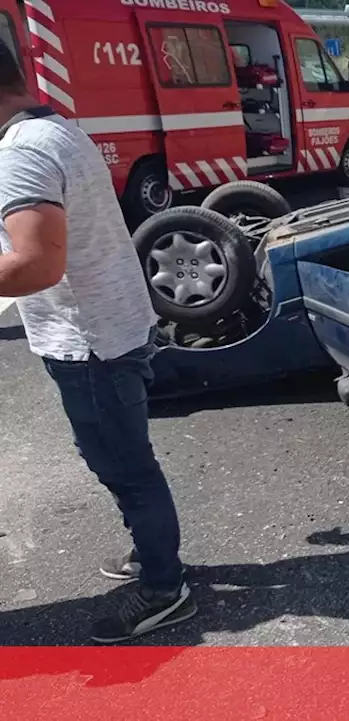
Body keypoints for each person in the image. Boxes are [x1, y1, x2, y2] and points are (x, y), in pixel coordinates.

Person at [0, 43, 194, 642]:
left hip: (90, 341)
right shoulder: (56, 129)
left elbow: (36, 265)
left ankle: (165, 588)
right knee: (116, 455)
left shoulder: (20, 153)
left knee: (123, 464)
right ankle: (155, 555)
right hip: (110, 325)